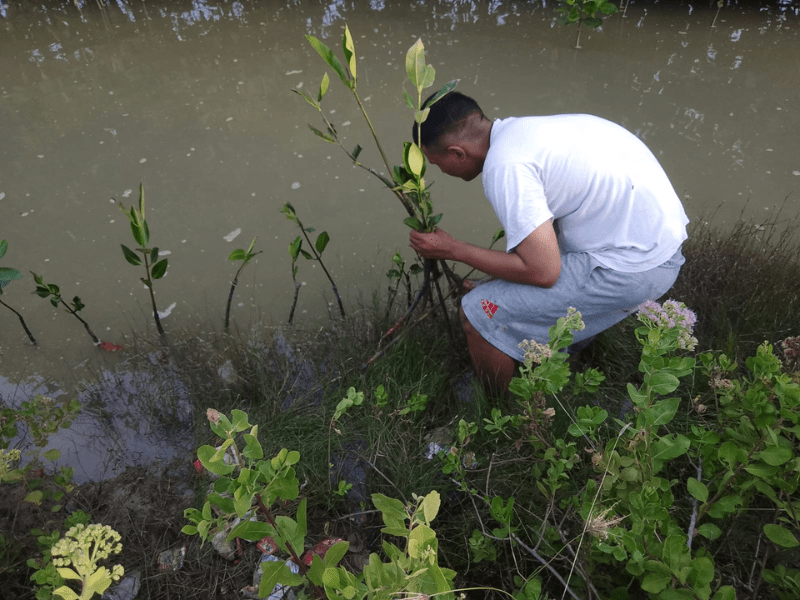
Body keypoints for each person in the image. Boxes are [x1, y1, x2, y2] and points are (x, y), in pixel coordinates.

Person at [408, 91, 689, 391]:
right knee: (501, 289)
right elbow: (543, 239)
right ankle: (558, 356)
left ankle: (499, 415)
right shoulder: (526, 133)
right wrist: (493, 279)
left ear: (457, 153)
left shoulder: (505, 167)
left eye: (437, 164)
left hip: (633, 268)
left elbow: (543, 272)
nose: (440, 172)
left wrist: (453, 249)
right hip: (657, 242)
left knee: (477, 310)